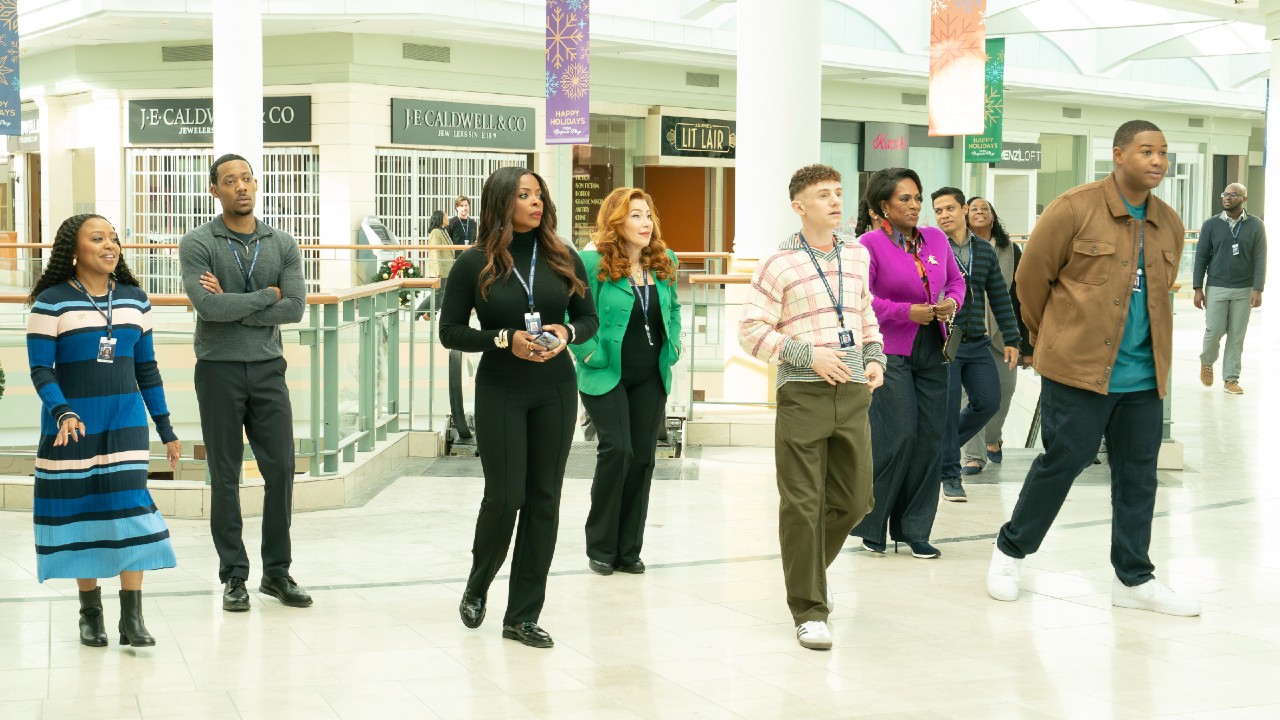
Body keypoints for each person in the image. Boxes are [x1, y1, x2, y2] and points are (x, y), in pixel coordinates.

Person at [987, 120, 1201, 616]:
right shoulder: (1074, 208)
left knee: (1138, 476)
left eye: (1164, 154)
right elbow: (1030, 281)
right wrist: (1046, 342)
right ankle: (1010, 550)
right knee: (1063, 462)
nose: (1158, 162)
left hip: (1144, 377)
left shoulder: (1167, 221)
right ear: (1119, 154)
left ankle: (1133, 578)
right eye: (1147, 151)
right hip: (1079, 371)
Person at [439, 166, 599, 648]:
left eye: (540, 194)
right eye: (525, 194)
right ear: (502, 202)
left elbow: (587, 317)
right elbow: (450, 331)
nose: (536, 202)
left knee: (544, 499)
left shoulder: (563, 255)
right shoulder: (474, 263)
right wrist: (504, 338)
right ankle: (479, 581)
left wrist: (566, 333)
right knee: (506, 496)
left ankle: (523, 615)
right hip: (502, 388)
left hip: (554, 386)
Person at [739, 164, 886, 651]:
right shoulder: (777, 263)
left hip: (853, 394)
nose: (836, 201)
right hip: (803, 393)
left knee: (856, 500)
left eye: (839, 193)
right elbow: (752, 332)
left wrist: (874, 358)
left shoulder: (857, 254)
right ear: (799, 206)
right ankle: (809, 608)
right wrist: (809, 355)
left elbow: (864, 313)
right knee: (802, 504)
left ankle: (801, 571)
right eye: (823, 195)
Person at [27, 214, 182, 647]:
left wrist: (166, 428)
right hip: (70, 429)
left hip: (125, 423)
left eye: (113, 238)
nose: (110, 245)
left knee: (129, 509)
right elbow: (41, 370)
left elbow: (147, 369)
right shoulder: (51, 302)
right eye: (97, 239)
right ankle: (89, 613)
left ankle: (132, 618)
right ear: (73, 251)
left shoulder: (134, 299)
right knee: (81, 512)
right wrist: (63, 412)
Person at [179, 153, 312, 613]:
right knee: (225, 475)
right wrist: (265, 297)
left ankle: (277, 572)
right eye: (230, 181)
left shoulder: (282, 243)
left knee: (280, 470)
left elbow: (295, 307)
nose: (241, 187)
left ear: (257, 185)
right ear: (214, 190)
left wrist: (237, 302)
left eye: (247, 179)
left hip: (268, 368)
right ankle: (234, 575)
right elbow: (207, 309)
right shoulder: (198, 242)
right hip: (217, 370)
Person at [848, 168, 965, 559]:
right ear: (884, 206)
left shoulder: (935, 239)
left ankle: (915, 530)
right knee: (898, 435)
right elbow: (863, 300)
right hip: (890, 349)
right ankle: (871, 524)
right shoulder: (868, 245)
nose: (915, 206)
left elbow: (955, 282)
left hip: (934, 347)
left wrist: (953, 303)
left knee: (930, 439)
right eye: (905, 199)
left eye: (917, 198)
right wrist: (905, 312)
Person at [572, 188, 682, 577]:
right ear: (616, 222)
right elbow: (573, 309)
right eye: (635, 215)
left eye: (649, 215)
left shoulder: (663, 261)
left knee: (643, 458)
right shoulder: (592, 261)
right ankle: (600, 545)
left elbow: (674, 308)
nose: (646, 223)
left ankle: (627, 549)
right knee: (617, 450)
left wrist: (676, 345)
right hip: (605, 372)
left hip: (651, 373)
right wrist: (587, 353)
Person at [930, 188, 1021, 502]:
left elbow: (999, 295)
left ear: (964, 209)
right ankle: (949, 476)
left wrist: (1012, 338)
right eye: (938, 210)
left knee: (989, 401)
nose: (944, 215)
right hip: (945, 345)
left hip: (978, 342)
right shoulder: (929, 248)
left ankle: (941, 449)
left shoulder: (983, 250)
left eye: (950, 208)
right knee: (949, 410)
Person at [960, 198, 1032, 476]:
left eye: (984, 209)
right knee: (969, 397)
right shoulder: (956, 248)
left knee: (1004, 391)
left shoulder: (1010, 251)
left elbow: (1021, 298)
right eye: (973, 208)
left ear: (993, 216)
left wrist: (1024, 343)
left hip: (1003, 335)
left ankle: (993, 437)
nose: (979, 212)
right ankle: (973, 456)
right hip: (969, 334)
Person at [1194, 182, 1266, 395]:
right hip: (1217, 285)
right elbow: (1201, 257)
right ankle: (1207, 361)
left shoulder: (1255, 225)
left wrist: (1258, 289)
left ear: (1244, 199)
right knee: (1214, 330)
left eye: (1234, 195)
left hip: (1244, 289)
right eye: (1225, 194)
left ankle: (1231, 379)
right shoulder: (1211, 225)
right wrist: (1198, 288)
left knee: (1236, 336)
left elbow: (1260, 259)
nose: (1227, 197)